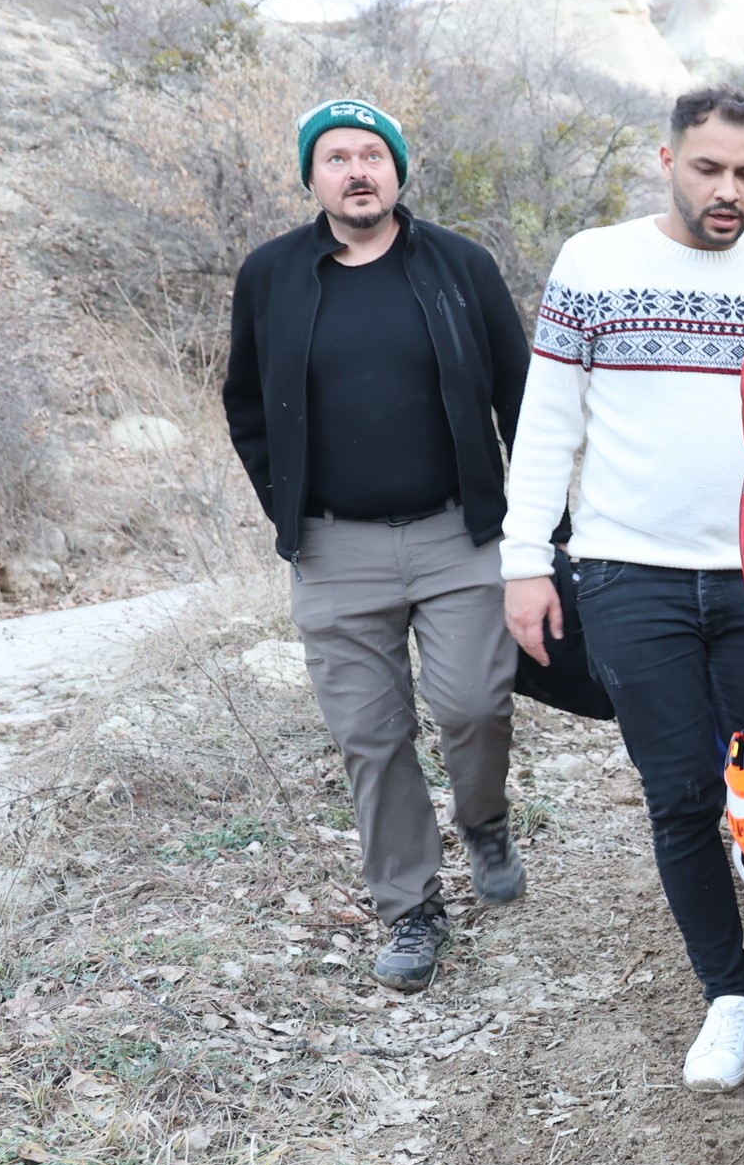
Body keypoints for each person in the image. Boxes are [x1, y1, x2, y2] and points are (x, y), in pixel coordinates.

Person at [500, 90, 744, 1097]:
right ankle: (730, 998)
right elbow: (549, 420)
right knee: (680, 794)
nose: (727, 191)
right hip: (627, 570)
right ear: (668, 159)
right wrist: (522, 559)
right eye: (708, 169)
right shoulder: (594, 263)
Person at [223, 100, 529, 994]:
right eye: (336, 158)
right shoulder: (273, 274)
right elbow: (246, 403)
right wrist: (289, 506)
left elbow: (522, 397)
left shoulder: (460, 265)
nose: (357, 171)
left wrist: (535, 524)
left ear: (397, 171)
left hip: (457, 535)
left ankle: (485, 820)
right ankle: (410, 910)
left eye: (372, 156)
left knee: (474, 704)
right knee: (371, 734)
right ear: (312, 177)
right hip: (333, 548)